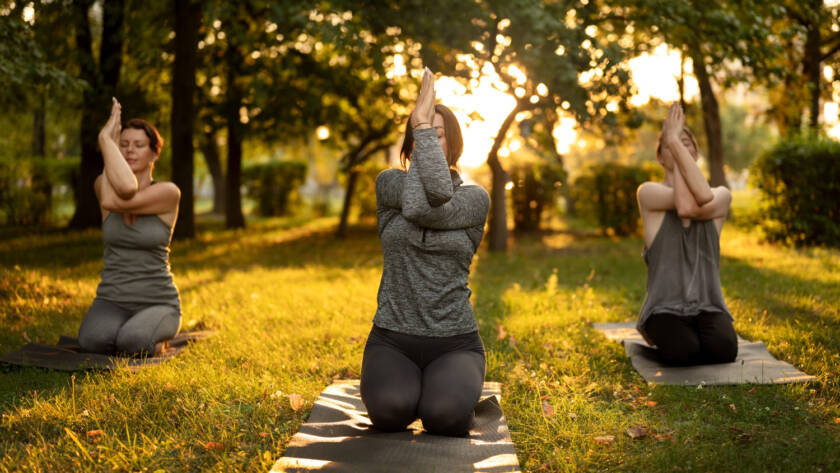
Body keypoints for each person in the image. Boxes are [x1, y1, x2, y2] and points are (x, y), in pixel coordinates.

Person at [360, 68, 491, 436]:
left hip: (455, 343)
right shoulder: (389, 185)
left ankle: (448, 393)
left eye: (437, 135)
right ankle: (403, 387)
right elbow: (418, 201)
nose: (427, 141)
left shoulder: (474, 199)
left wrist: (420, 122)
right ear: (410, 142)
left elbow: (424, 206)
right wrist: (422, 127)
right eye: (420, 134)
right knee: (389, 413)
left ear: (454, 144)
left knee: (444, 418)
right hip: (391, 338)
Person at [635, 102, 738, 366]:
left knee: (724, 351)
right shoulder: (648, 194)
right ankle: (666, 334)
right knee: (683, 353)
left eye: (686, 142)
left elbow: (695, 203)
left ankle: (694, 334)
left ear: (696, 153)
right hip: (664, 308)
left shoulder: (722, 196)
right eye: (671, 143)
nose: (680, 146)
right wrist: (678, 151)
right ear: (660, 156)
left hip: (708, 306)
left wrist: (673, 141)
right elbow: (683, 206)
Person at [77, 98, 182, 356]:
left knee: (132, 343)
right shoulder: (102, 183)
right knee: (92, 342)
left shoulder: (168, 192)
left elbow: (121, 195)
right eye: (122, 145)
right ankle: (127, 330)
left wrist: (106, 139)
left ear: (155, 153)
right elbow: (118, 191)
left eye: (138, 145)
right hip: (111, 301)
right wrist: (108, 144)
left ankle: (151, 335)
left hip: (158, 302)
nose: (129, 151)